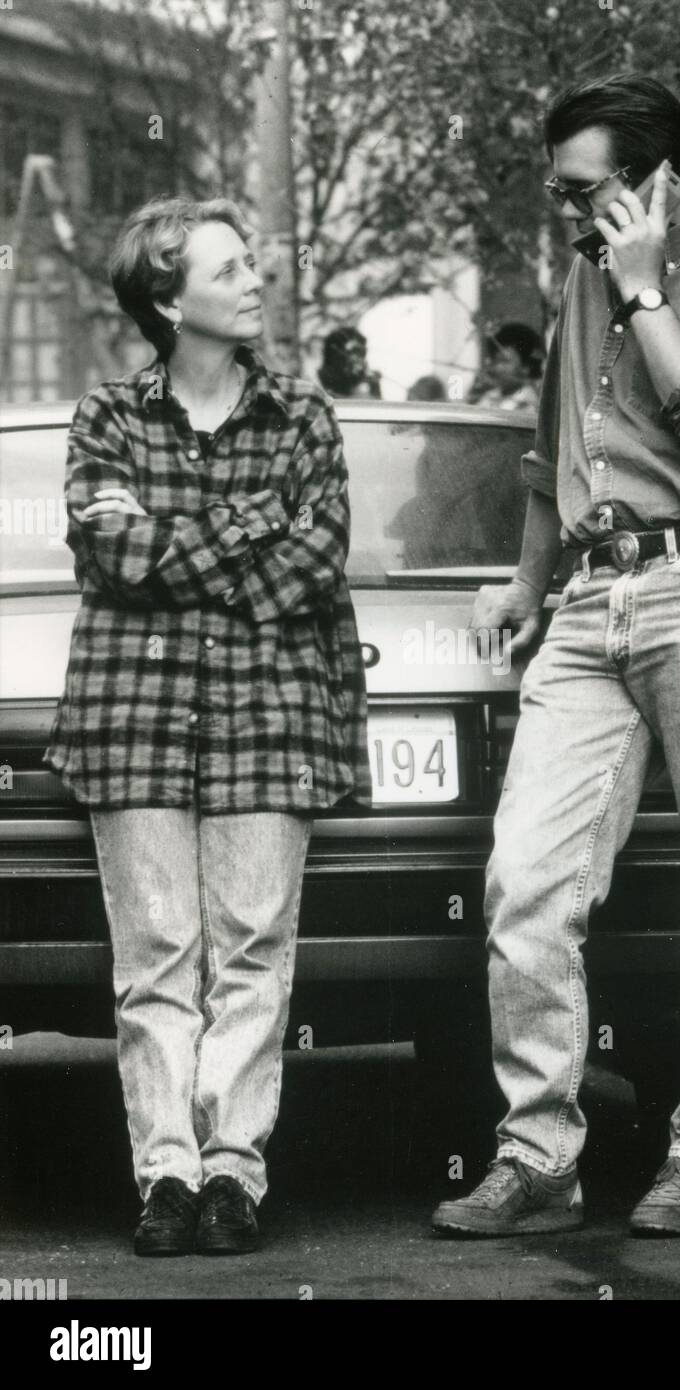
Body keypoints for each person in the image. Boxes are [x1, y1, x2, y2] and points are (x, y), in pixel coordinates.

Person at [431, 74, 680, 1239]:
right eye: (557, 189)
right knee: (527, 882)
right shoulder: (578, 277)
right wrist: (524, 578)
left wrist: (647, 285)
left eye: (583, 188)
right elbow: (555, 451)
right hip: (593, 603)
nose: (564, 210)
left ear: (659, 179)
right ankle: (540, 1156)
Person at [43, 196, 371, 1256]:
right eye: (231, 270)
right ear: (168, 296)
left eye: (252, 265)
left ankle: (233, 1169)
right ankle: (167, 1175)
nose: (254, 281)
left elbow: (313, 564)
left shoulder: (303, 417)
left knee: (253, 955)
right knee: (155, 958)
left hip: (269, 718)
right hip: (131, 719)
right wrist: (247, 523)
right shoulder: (107, 417)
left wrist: (175, 540)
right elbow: (111, 558)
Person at [470, 321, 544, 412]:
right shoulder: (490, 397)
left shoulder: (528, 403)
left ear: (525, 367)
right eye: (496, 361)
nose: (497, 367)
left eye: (504, 361)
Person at [317, 326, 382, 399]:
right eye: (355, 352)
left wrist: (375, 389)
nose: (361, 360)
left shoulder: (363, 390)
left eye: (362, 353)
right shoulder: (316, 386)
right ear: (335, 355)